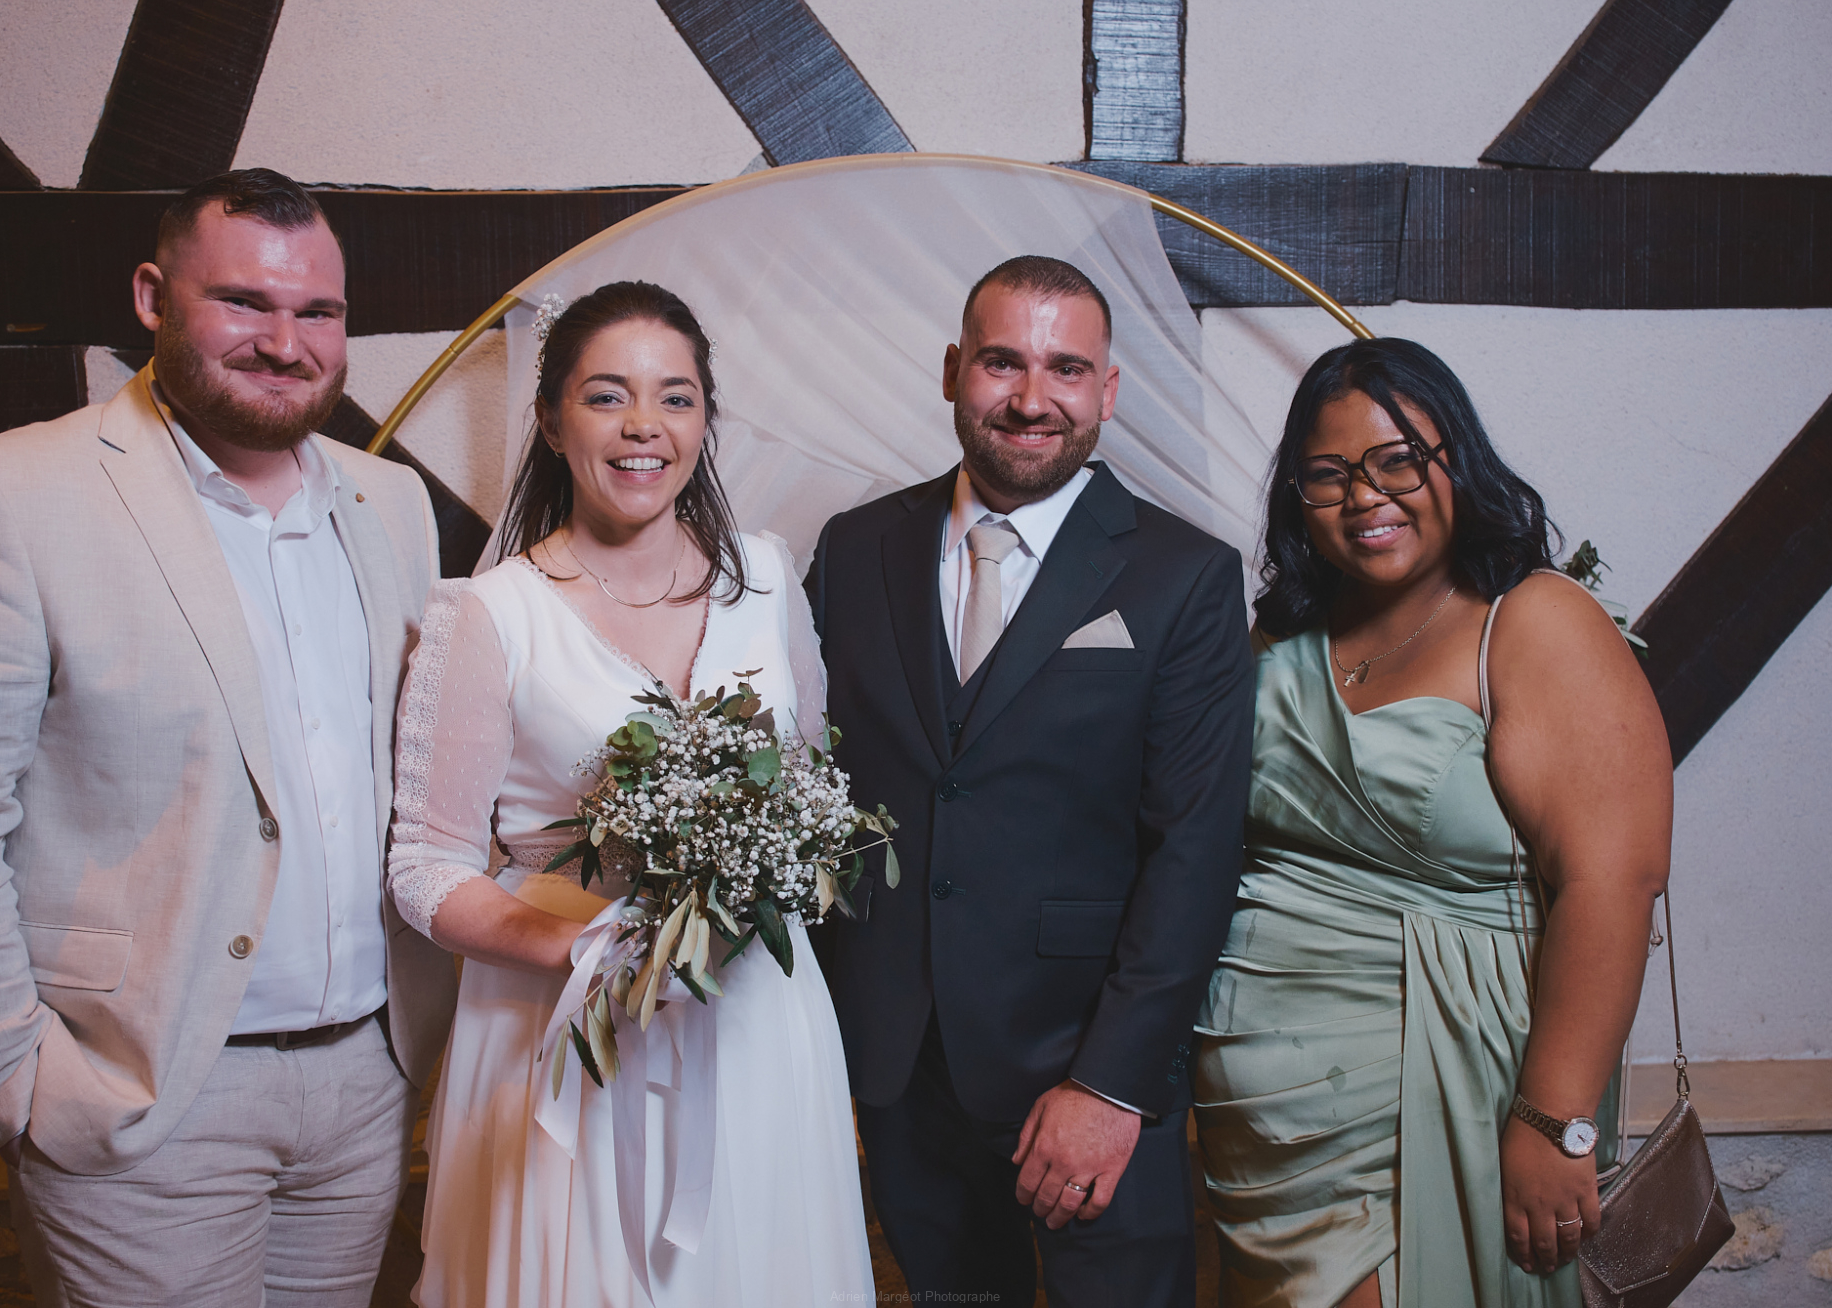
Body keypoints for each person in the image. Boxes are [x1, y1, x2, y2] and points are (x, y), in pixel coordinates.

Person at [0, 168, 454, 1306]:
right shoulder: (8, 495)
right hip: (142, 1092)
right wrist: (9, 1076)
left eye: (317, 312)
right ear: (153, 297)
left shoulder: (391, 502)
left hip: (367, 1081)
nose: (285, 343)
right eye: (244, 302)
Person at [385, 279, 873, 1306]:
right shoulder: (491, 613)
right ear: (550, 419)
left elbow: (809, 788)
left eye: (674, 396)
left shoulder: (768, 580)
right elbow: (425, 866)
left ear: (705, 420)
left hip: (754, 1017)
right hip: (559, 1023)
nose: (643, 424)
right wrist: (582, 950)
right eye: (606, 395)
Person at [805, 255, 1256, 1306]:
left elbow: (1194, 852)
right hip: (900, 1063)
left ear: (1107, 390)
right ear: (952, 370)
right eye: (1001, 362)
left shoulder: (1183, 575)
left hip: (1086, 1058)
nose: (1030, 397)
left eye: (1066, 368)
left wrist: (1109, 1083)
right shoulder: (855, 546)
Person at [1196, 337, 1670, 1307]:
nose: (1364, 496)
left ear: (1458, 460)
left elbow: (1613, 881)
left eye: (1397, 461)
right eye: (1328, 474)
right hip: (1265, 1135)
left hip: (1447, 1080)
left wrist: (1555, 1121)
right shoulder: (1276, 639)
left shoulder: (1532, 622)